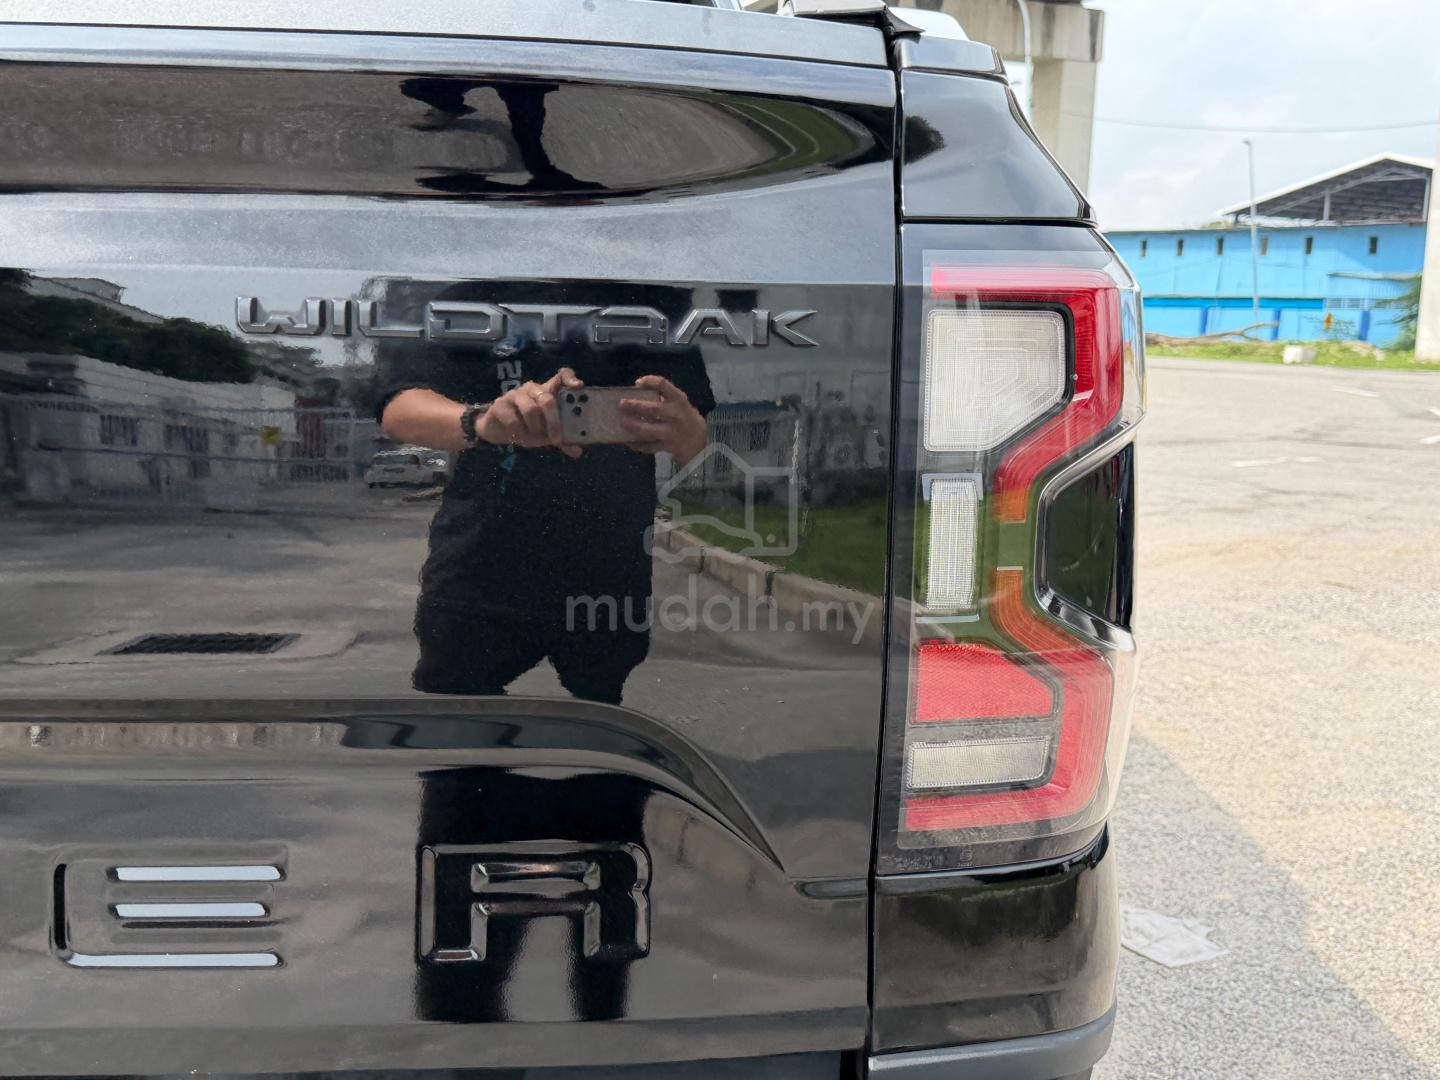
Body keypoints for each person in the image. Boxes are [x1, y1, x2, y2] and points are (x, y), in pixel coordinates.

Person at [375, 282, 714, 705]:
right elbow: (400, 407)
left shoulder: (651, 293)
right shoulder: (465, 288)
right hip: (478, 575)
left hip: (606, 586)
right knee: (459, 739)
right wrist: (481, 421)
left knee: (608, 736)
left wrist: (683, 430)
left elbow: (696, 436)